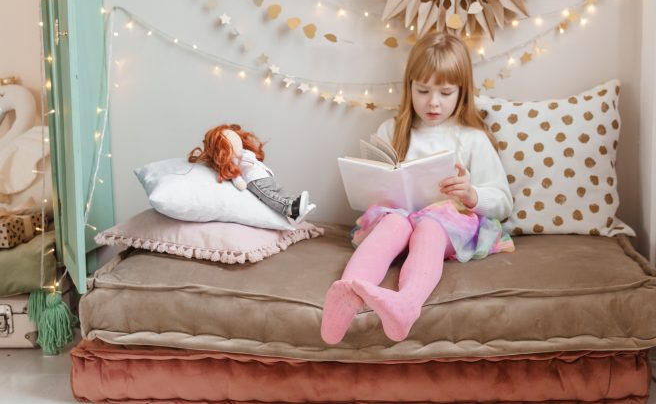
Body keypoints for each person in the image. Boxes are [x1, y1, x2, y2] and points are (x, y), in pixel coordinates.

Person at [321, 32, 515, 344]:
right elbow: (373, 190)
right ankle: (348, 292)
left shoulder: (471, 138)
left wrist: (471, 194)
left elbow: (504, 202)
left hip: (446, 228)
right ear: (409, 87)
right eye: (422, 90)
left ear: (462, 93)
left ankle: (407, 303)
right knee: (395, 221)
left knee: (430, 225)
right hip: (399, 220)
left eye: (445, 92)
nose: (433, 101)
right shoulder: (392, 130)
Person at [188, 124, 316, 223]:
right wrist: (239, 182)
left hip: (265, 176)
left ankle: (298, 208)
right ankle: (289, 208)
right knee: (269, 195)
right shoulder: (230, 159)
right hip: (254, 181)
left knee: (280, 191)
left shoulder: (243, 151)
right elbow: (232, 173)